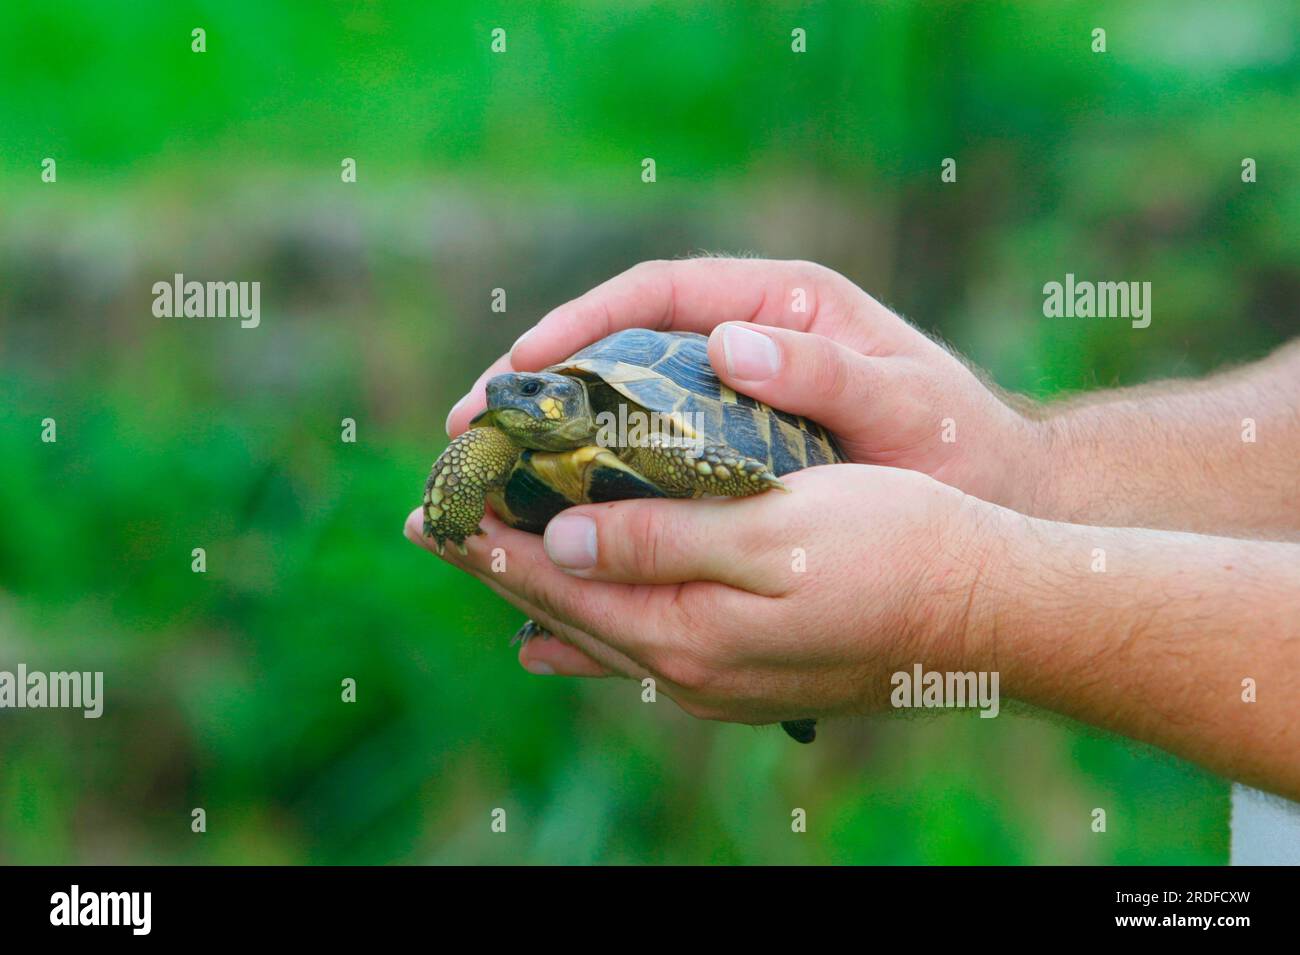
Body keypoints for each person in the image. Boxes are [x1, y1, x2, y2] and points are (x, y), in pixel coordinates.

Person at [406, 258, 1300, 862]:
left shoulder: (633, 423)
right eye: (514, 398)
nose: (518, 402)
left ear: (572, 401)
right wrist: (1038, 475)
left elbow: (693, 454)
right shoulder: (512, 428)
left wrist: (965, 601)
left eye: (535, 393)